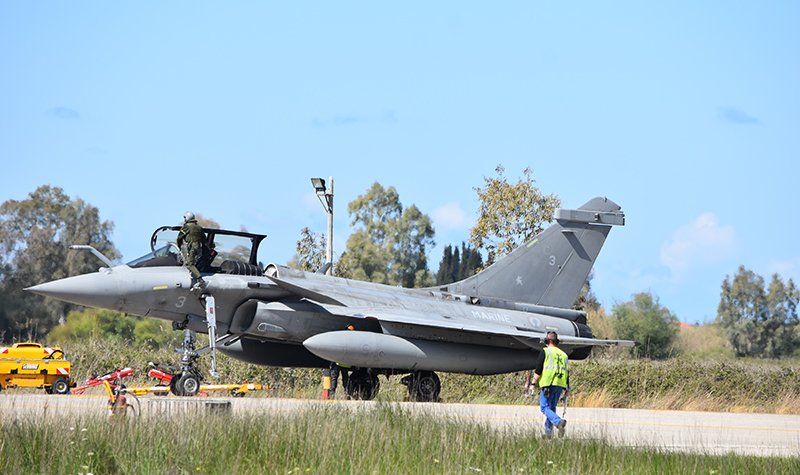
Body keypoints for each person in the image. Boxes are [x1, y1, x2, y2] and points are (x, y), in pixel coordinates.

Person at [531, 331, 569, 438]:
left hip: (548, 383)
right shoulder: (563, 354)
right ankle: (548, 433)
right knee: (551, 408)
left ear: (547, 341)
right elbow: (567, 372)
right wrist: (567, 387)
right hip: (560, 384)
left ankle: (558, 422)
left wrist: (533, 383)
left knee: (544, 408)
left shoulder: (545, 351)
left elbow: (538, 369)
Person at [177, 211, 207, 291]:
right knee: (194, 262)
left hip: (192, 247)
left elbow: (179, 237)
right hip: (199, 248)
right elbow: (204, 239)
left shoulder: (186, 227)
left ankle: (200, 279)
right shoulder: (199, 227)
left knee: (190, 263)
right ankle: (196, 273)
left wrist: (179, 245)